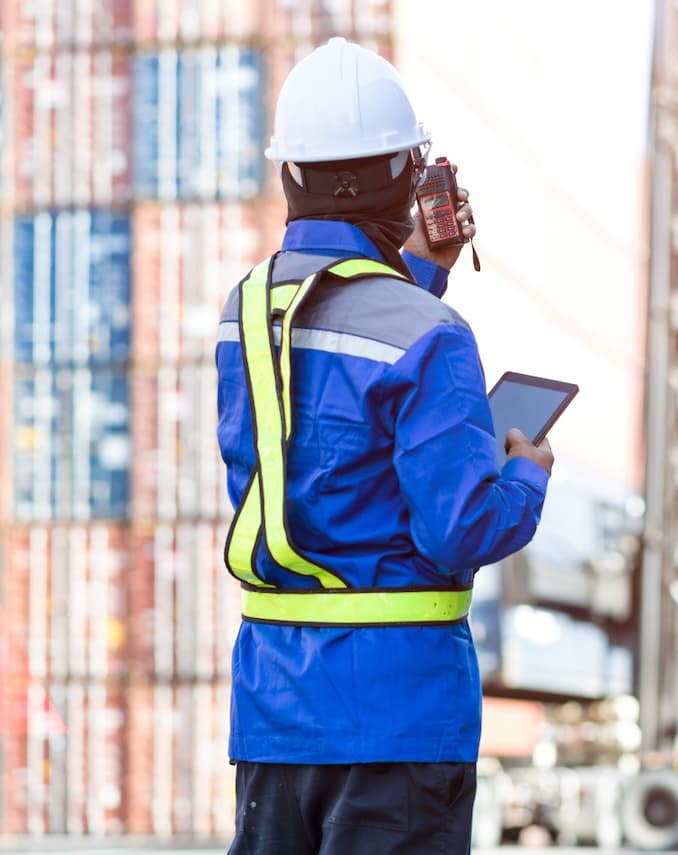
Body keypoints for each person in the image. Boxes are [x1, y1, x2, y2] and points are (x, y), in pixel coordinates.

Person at [215, 37, 554, 854]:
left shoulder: (243, 315)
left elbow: (334, 358)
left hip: (274, 717)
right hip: (400, 725)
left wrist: (416, 269)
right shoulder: (429, 335)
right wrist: (525, 473)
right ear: (409, 178)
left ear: (289, 174)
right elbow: (463, 530)